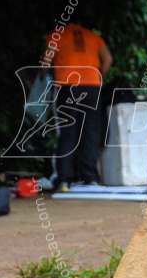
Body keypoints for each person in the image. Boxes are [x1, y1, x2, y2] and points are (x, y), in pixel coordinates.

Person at [43, 22, 112, 192]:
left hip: (67, 86)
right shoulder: (93, 36)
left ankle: (64, 180)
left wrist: (43, 77)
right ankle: (91, 179)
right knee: (91, 132)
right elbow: (108, 59)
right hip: (92, 87)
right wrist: (98, 76)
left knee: (68, 132)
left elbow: (46, 62)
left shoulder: (55, 35)